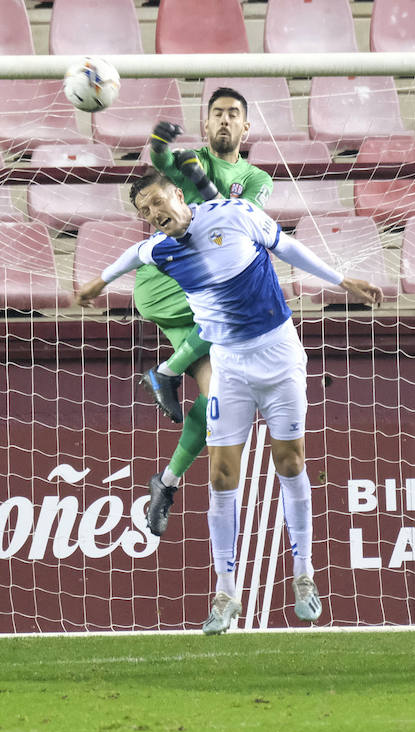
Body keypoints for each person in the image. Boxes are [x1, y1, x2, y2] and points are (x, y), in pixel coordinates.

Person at [77, 171, 383, 635]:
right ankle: (225, 593)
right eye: (145, 212)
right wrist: (97, 284)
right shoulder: (158, 249)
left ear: (178, 194)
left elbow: (286, 247)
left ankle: (304, 575)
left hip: (279, 357)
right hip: (230, 368)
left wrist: (344, 282)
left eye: (158, 202)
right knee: (221, 474)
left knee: (291, 462)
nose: (155, 215)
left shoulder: (235, 214)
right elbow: (128, 256)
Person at [135, 86, 275, 538]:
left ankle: (166, 483)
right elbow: (159, 164)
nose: (225, 120)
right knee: (241, 302)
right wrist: (159, 141)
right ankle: (165, 373)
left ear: (246, 126)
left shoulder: (256, 180)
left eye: (234, 113)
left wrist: (205, 187)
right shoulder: (191, 158)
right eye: (217, 113)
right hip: (168, 282)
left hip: (200, 304)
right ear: (206, 123)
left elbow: (238, 221)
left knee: (217, 401)